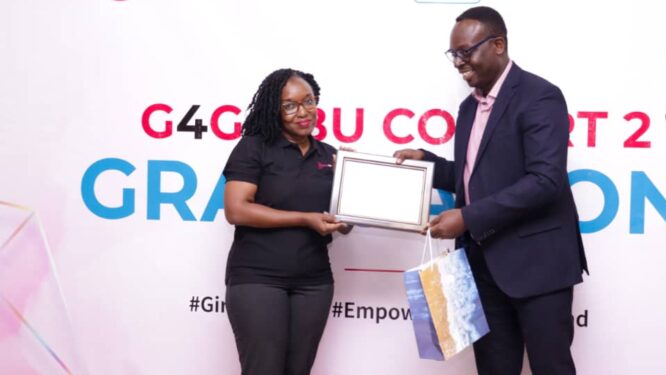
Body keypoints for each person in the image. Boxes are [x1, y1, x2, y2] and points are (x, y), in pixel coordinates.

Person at [395, 6, 588, 375]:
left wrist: (466, 217)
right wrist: (428, 163)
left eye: (466, 51)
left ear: (498, 44)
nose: (458, 62)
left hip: (538, 265)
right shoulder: (468, 107)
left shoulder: (540, 96)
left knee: (552, 367)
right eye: (454, 53)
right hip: (482, 267)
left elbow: (545, 181)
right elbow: (474, 176)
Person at [222, 68, 350, 375]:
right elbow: (236, 210)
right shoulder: (254, 147)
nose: (303, 112)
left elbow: (345, 221)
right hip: (258, 279)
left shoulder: (330, 155)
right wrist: (304, 219)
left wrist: (352, 182)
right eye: (289, 106)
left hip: (314, 282)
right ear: (274, 110)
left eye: (309, 101)